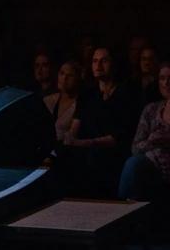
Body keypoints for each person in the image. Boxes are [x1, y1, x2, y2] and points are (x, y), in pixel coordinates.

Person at [61, 47, 142, 197]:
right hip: (86, 146)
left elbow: (121, 136)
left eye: (104, 61)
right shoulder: (88, 94)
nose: (98, 66)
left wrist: (86, 143)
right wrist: (70, 140)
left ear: (114, 64)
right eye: (95, 61)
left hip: (113, 148)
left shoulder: (128, 93)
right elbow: (75, 127)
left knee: (96, 158)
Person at [118, 62, 170, 202]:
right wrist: (152, 141)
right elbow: (135, 148)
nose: (166, 83)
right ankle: (126, 211)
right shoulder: (151, 110)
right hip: (152, 167)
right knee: (134, 163)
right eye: (162, 78)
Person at [44, 60, 82, 144]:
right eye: (62, 73)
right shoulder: (48, 100)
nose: (64, 78)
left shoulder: (80, 104)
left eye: (70, 75)